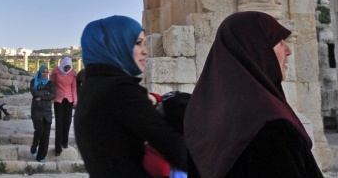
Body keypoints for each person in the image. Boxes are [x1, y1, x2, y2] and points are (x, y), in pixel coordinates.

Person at [184, 11, 324, 178]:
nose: (288, 51)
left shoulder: (199, 114)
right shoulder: (269, 124)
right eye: (279, 42)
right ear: (257, 48)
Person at [74, 15, 187, 178]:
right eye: (138, 43)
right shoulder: (119, 89)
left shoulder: (90, 87)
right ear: (116, 44)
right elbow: (171, 145)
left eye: (145, 43)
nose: (145, 51)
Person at [50, 56, 77, 156]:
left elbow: (74, 87)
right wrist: (51, 97)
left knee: (68, 121)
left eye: (68, 67)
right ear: (62, 65)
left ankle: (64, 142)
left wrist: (75, 100)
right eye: (65, 67)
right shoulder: (55, 72)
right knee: (59, 123)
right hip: (58, 100)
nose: (67, 69)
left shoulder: (72, 73)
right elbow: (51, 85)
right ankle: (57, 148)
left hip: (69, 100)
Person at [29, 64, 55, 163]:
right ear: (40, 72)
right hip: (37, 110)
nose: (45, 74)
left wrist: (42, 96)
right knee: (39, 130)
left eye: (47, 72)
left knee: (46, 135)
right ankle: (34, 146)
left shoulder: (50, 84)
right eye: (43, 72)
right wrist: (46, 93)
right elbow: (34, 93)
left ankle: (41, 156)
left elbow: (53, 95)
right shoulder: (33, 82)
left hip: (47, 111)